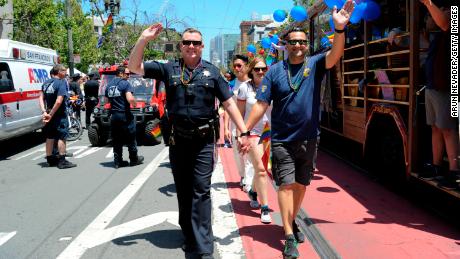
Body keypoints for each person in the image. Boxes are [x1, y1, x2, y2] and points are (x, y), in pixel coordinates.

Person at [128, 25, 250, 259]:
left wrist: (243, 131)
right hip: (178, 141)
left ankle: (203, 247)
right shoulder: (168, 69)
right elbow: (134, 67)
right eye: (187, 42)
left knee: (201, 191)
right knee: (184, 191)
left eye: (196, 42)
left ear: (202, 46)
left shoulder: (213, 73)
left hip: (204, 142)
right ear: (181, 46)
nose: (191, 46)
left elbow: (230, 104)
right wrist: (143, 39)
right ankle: (189, 233)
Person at [245, 2, 354, 258]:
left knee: (302, 185)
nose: (298, 45)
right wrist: (245, 130)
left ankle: (291, 219)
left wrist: (339, 29)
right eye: (293, 42)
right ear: (286, 44)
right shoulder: (273, 72)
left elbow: (335, 54)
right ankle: (288, 235)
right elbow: (261, 105)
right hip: (282, 139)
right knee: (285, 185)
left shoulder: (315, 64)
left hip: (309, 139)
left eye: (302, 42)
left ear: (307, 45)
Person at [417, 0, 459, 189]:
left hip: (448, 87)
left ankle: (455, 172)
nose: (442, 11)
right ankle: (436, 167)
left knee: (448, 129)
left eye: (445, 8)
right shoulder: (440, 35)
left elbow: (444, 21)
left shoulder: (454, 20)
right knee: (436, 128)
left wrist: (427, 2)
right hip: (434, 86)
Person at [237, 57, 272, 223]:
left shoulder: (273, 85)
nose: (260, 72)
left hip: (271, 133)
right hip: (253, 133)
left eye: (263, 68)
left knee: (266, 169)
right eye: (257, 69)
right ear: (251, 71)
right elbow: (239, 113)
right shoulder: (245, 88)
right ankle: (265, 207)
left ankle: (254, 191)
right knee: (261, 169)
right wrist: (240, 134)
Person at [105, 66, 144, 169]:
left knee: (117, 139)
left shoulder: (108, 85)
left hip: (114, 115)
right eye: (127, 74)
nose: (129, 75)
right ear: (121, 74)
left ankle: (118, 161)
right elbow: (130, 99)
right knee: (131, 137)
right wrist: (135, 103)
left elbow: (106, 101)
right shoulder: (125, 83)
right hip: (125, 115)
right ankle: (134, 159)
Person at [224, 54, 253, 192]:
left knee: (249, 154)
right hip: (236, 125)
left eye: (239, 65)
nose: (236, 68)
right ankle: (242, 176)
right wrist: (226, 128)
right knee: (238, 153)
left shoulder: (254, 82)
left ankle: (248, 181)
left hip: (252, 125)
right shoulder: (230, 85)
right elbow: (228, 107)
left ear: (247, 66)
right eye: (234, 66)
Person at [39, 64, 77, 169]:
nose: (66, 73)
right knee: (61, 137)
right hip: (59, 115)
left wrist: (44, 111)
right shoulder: (61, 83)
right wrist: (51, 114)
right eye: (64, 71)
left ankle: (50, 159)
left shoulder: (46, 83)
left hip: (48, 112)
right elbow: (59, 100)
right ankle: (62, 161)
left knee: (50, 136)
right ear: (58, 72)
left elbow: (41, 98)